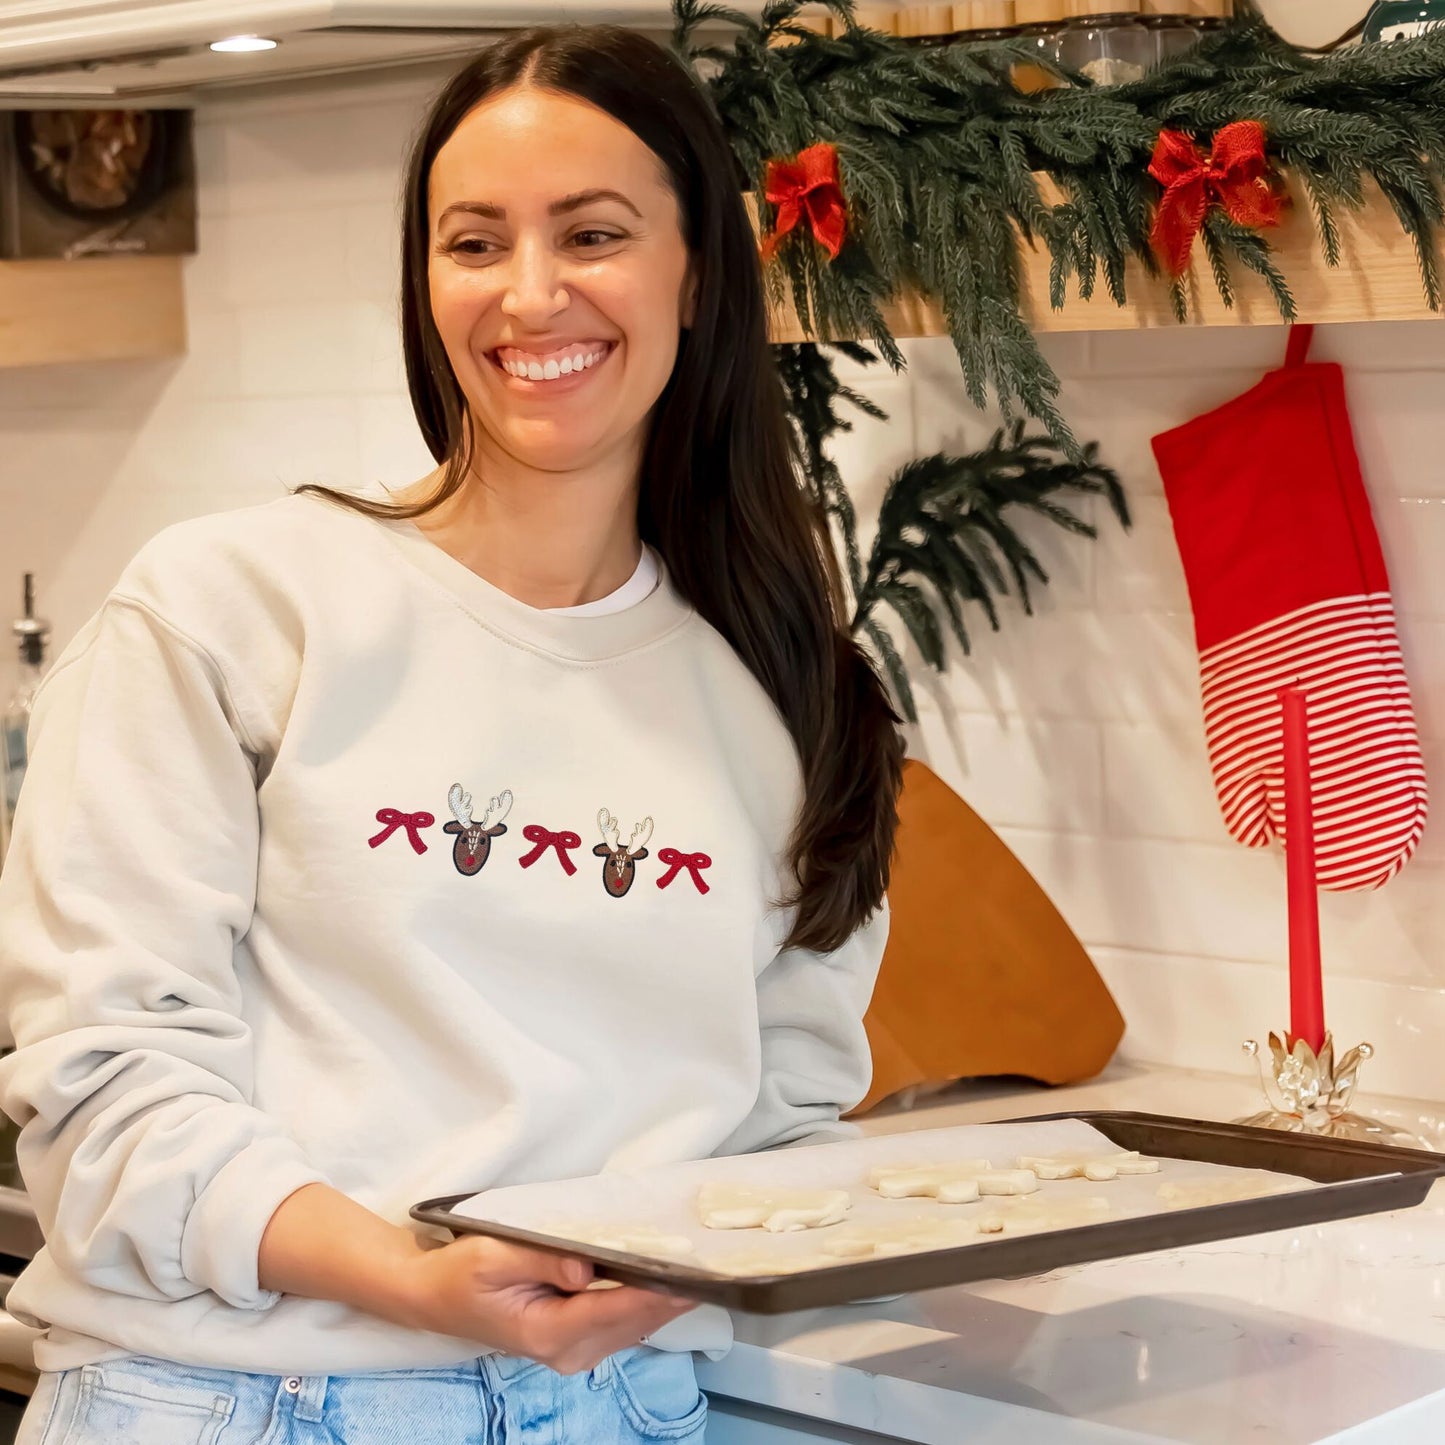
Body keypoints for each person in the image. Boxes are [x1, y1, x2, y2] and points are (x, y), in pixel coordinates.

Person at [0, 23, 903, 1444]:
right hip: (230, 1403)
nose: (530, 294)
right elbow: (101, 1094)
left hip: (628, 1409)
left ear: (696, 270)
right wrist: (408, 1274)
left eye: (592, 233)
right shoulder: (231, 608)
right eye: (473, 242)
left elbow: (784, 1121)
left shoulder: (795, 698)